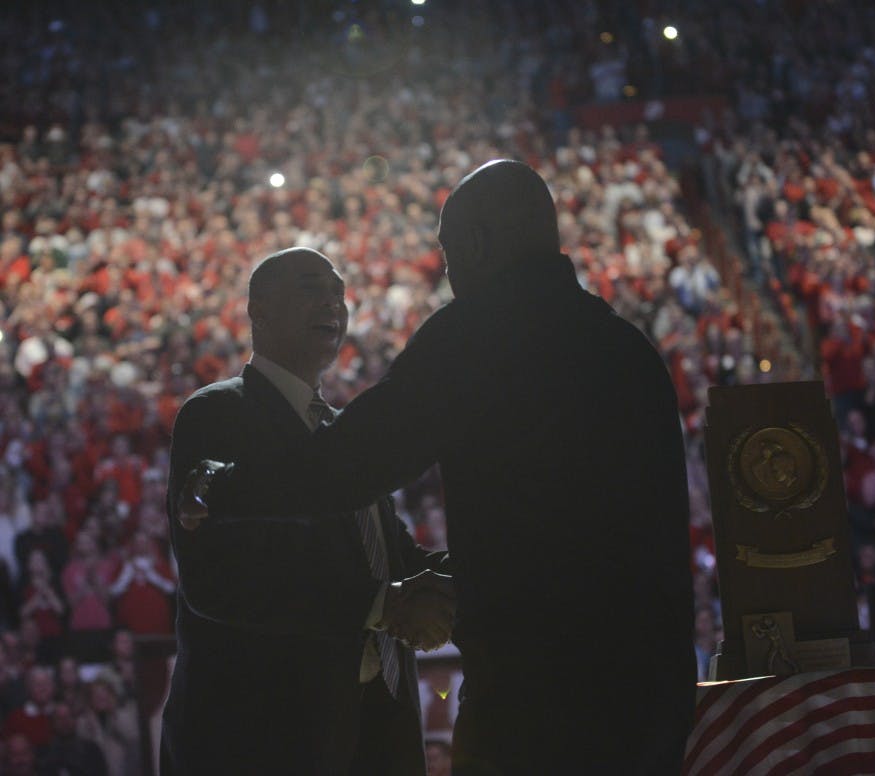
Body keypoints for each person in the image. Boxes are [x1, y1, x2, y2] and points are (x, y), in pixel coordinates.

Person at [187, 161, 696, 774]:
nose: (450, 275)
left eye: (450, 255)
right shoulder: (629, 350)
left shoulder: (480, 334)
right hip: (652, 694)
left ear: (477, 244)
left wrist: (223, 486)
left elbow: (352, 465)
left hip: (538, 700)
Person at [162, 247, 454, 775]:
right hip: (266, 741)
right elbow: (221, 582)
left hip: (375, 730)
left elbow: (389, 555)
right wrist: (381, 606)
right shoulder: (216, 413)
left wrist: (454, 580)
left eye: (339, 292)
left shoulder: (340, 431)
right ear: (258, 311)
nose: (333, 303)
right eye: (310, 288)